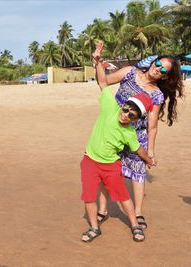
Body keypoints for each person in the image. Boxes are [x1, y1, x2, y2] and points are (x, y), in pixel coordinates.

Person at [94, 42, 184, 230]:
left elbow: (152, 127)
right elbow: (103, 82)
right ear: (153, 62)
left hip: (137, 134)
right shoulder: (129, 72)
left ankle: (138, 212)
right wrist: (97, 63)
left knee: (138, 173)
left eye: (163, 70)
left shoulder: (157, 95)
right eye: (158, 64)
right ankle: (103, 210)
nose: (158, 70)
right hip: (115, 129)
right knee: (106, 169)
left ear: (166, 76)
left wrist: (150, 151)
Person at [80, 45, 155, 243]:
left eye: (133, 115)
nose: (126, 114)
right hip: (89, 161)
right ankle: (94, 229)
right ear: (124, 104)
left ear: (136, 119)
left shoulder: (130, 132)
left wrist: (148, 159)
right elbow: (103, 83)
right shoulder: (110, 106)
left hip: (110, 166)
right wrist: (97, 62)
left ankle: (135, 224)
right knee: (89, 196)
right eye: (127, 108)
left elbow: (138, 149)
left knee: (122, 196)